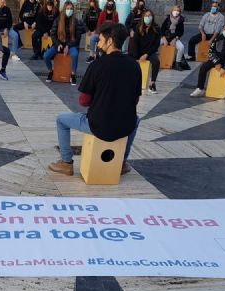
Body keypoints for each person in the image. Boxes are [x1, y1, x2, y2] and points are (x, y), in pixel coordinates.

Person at [49, 22, 141, 176]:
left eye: (100, 39)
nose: (98, 42)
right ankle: (122, 162)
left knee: (61, 120)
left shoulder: (97, 65)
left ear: (110, 41)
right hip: (125, 124)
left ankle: (66, 163)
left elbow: (83, 101)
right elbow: (136, 99)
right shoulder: (134, 65)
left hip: (99, 125)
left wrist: (101, 100)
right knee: (135, 120)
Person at [189, 21, 225, 102]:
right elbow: (211, 51)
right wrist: (217, 62)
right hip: (218, 60)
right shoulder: (219, 37)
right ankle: (200, 88)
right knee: (203, 67)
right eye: (224, 30)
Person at [44, 0, 83, 85]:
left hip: (71, 45)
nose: (69, 10)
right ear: (64, 9)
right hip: (59, 44)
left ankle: (73, 75)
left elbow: (78, 37)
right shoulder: (58, 20)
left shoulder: (75, 21)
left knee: (75, 54)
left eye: (71, 9)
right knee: (46, 56)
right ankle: (51, 71)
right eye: (68, 8)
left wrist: (68, 46)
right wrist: (58, 44)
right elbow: (53, 34)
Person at [130, 9, 160, 94]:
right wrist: (136, 56)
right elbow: (135, 42)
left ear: (152, 17)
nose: (148, 17)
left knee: (156, 61)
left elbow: (156, 45)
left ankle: (152, 83)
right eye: (146, 16)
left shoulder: (156, 28)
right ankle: (132, 82)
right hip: (138, 51)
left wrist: (146, 54)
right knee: (130, 62)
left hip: (149, 52)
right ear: (143, 17)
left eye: (149, 15)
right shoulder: (138, 27)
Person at [160, 5, 186, 71]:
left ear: (180, 12)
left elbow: (181, 32)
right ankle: (156, 60)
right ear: (172, 11)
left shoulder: (181, 20)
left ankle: (177, 63)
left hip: (174, 38)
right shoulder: (167, 19)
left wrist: (176, 38)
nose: (176, 12)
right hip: (165, 37)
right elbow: (162, 30)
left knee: (181, 47)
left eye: (178, 10)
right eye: (175, 10)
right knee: (156, 43)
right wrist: (164, 38)